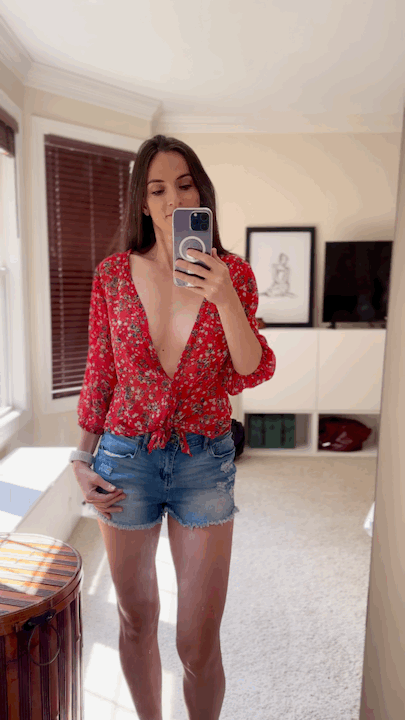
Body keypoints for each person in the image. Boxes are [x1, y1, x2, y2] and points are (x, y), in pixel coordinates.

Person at [70, 134, 276, 720]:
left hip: (203, 462)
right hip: (123, 460)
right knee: (135, 619)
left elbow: (249, 370)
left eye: (184, 185)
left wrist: (225, 297)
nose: (172, 200)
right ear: (142, 201)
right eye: (157, 188)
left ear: (200, 192)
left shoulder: (232, 274)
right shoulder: (113, 275)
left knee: (197, 642)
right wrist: (80, 458)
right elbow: (101, 371)